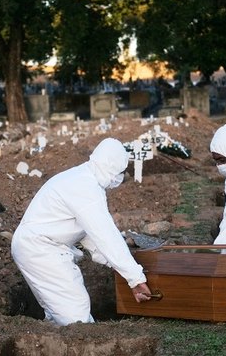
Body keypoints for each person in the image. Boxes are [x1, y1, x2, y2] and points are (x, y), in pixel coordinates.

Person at [11, 137, 152, 325]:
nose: (119, 178)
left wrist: (118, 265)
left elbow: (90, 238)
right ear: (112, 168)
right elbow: (105, 236)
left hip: (38, 248)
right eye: (120, 172)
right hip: (40, 250)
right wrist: (135, 278)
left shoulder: (82, 179)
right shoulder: (86, 188)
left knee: (59, 312)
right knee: (75, 314)